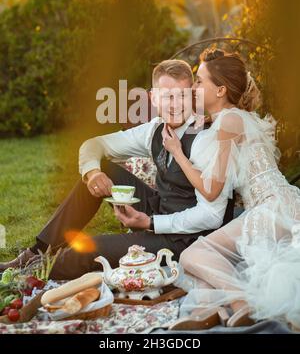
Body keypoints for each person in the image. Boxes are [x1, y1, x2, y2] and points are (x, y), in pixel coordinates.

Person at [0, 59, 235, 280]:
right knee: (101, 168)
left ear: (192, 96)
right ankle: (37, 252)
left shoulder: (206, 137)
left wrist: (150, 223)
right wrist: (93, 173)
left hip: (186, 239)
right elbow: (94, 145)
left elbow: (211, 217)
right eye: (167, 97)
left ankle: (27, 278)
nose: (174, 105)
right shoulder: (154, 129)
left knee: (90, 249)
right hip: (159, 212)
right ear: (154, 99)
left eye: (181, 96)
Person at [168, 48, 300, 330]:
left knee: (193, 255)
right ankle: (210, 311)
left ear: (220, 90)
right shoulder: (233, 118)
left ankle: (241, 303)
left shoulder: (229, 121)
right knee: (200, 265)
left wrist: (178, 153)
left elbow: (211, 190)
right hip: (279, 203)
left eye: (200, 81)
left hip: (271, 206)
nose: (194, 87)